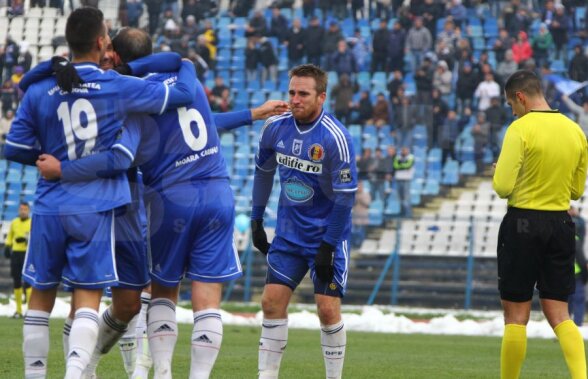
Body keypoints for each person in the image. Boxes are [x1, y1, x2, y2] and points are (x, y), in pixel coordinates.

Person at [33, 27, 289, 379]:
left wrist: (63, 168)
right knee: (204, 299)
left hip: (163, 198)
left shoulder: (132, 94)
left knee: (149, 291)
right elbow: (205, 120)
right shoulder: (186, 81)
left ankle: (154, 371)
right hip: (216, 193)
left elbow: (120, 154)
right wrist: (252, 114)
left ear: (117, 56)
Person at [5, 8, 197, 378]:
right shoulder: (117, 86)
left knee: (40, 299)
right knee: (88, 299)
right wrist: (184, 60)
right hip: (96, 206)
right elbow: (185, 93)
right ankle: (76, 373)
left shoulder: (42, 88)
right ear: (99, 42)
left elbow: (12, 148)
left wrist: (46, 160)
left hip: (48, 204)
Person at [250, 64, 357, 379]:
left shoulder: (336, 138)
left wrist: (327, 246)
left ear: (321, 97)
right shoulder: (275, 127)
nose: (295, 99)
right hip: (289, 235)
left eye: (304, 94)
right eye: (292, 93)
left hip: (327, 237)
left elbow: (345, 198)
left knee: (327, 310)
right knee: (271, 303)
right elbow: (263, 172)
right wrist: (257, 219)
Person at [493, 70, 587, 379]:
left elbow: (503, 186)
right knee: (560, 313)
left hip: (523, 223)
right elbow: (575, 191)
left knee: (516, 315)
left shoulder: (520, 129)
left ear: (520, 97)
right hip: (561, 224)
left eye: (511, 104)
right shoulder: (575, 131)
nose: (512, 110)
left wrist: (503, 171)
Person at [4, 202, 31, 319]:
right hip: (16, 254)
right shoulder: (14, 222)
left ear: (29, 211)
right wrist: (7, 246)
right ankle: (18, 310)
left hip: (27, 254)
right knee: (16, 281)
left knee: (28, 282)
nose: (23, 211)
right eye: (21, 209)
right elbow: (10, 236)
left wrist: (27, 241)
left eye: (25, 209)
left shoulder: (32, 222)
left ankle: (30, 311)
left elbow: (36, 237)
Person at [568, 204, 588, 327]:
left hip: (565, 275)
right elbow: (580, 258)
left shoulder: (561, 239)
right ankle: (577, 325)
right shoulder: (575, 240)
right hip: (576, 275)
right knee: (578, 300)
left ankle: (566, 325)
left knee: (567, 302)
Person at [394, 146, 414, 218]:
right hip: (398, 179)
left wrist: (401, 165)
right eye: (403, 150)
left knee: (406, 198)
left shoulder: (411, 157)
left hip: (406, 180)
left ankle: (408, 214)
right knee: (400, 198)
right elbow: (395, 166)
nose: (404, 151)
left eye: (405, 150)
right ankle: (402, 213)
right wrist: (403, 166)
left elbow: (408, 165)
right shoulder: (397, 157)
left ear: (408, 150)